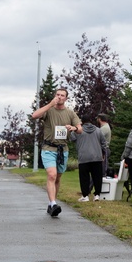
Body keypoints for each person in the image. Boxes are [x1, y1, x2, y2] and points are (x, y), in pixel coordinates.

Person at [31, 88, 82, 217]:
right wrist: (50, 104)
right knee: (52, 175)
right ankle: (53, 203)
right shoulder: (49, 110)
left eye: (62, 95)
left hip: (62, 149)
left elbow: (80, 129)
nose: (59, 97)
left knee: (58, 178)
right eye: (57, 95)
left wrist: (74, 128)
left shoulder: (70, 113)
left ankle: (51, 203)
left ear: (66, 98)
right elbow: (34, 115)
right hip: (49, 148)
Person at [70, 114, 108, 201]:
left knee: (84, 178)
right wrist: (102, 153)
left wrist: (75, 127)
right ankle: (97, 194)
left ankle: (85, 195)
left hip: (84, 157)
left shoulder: (78, 131)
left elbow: (71, 138)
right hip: (97, 157)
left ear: (81, 121)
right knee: (97, 177)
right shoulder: (98, 130)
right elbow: (103, 143)